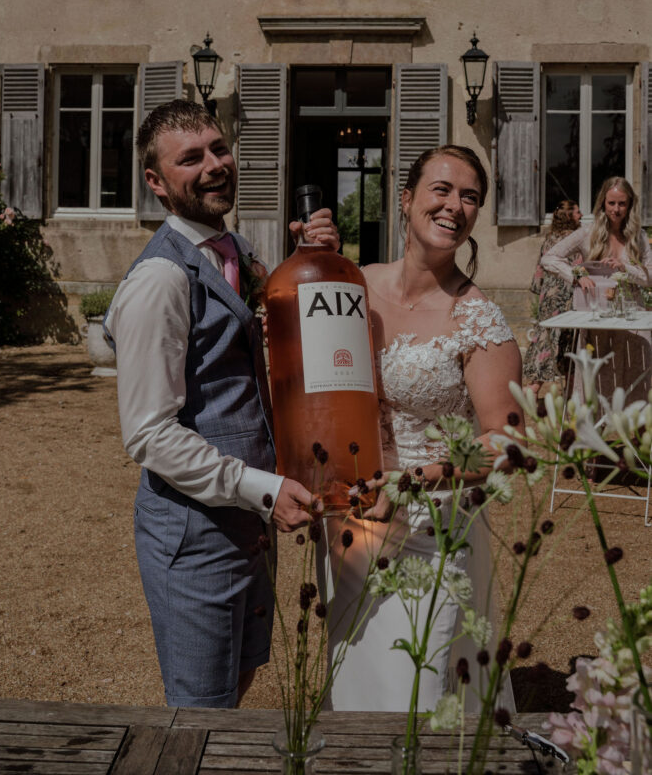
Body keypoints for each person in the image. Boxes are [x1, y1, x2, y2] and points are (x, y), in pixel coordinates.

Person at [104, 99, 338, 709]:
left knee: (238, 681)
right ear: (156, 182)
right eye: (190, 158)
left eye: (218, 148)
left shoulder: (232, 249)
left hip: (248, 527)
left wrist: (314, 265)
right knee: (199, 710)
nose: (214, 165)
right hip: (195, 533)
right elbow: (150, 435)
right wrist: (264, 490)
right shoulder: (158, 281)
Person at [319, 144, 522, 713]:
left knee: (415, 690)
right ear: (405, 199)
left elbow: (507, 442)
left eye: (470, 197)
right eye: (442, 189)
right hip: (352, 519)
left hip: (434, 526)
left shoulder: (477, 318)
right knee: (353, 677)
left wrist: (412, 479)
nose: (454, 205)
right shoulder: (352, 286)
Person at [541, 176, 652, 400]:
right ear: (603, 203)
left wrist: (626, 267)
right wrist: (576, 275)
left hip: (632, 316)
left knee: (638, 377)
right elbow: (549, 258)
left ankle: (638, 432)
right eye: (611, 203)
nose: (617, 209)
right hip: (596, 315)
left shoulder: (638, 236)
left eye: (622, 203)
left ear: (630, 205)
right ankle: (593, 430)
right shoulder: (587, 233)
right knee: (596, 378)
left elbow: (649, 278)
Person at [523, 200, 583, 396]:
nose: (581, 215)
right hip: (568, 295)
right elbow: (580, 269)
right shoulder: (575, 239)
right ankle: (571, 389)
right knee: (570, 338)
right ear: (569, 217)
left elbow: (540, 268)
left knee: (546, 338)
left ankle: (533, 387)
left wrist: (539, 290)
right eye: (577, 213)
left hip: (548, 297)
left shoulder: (549, 238)